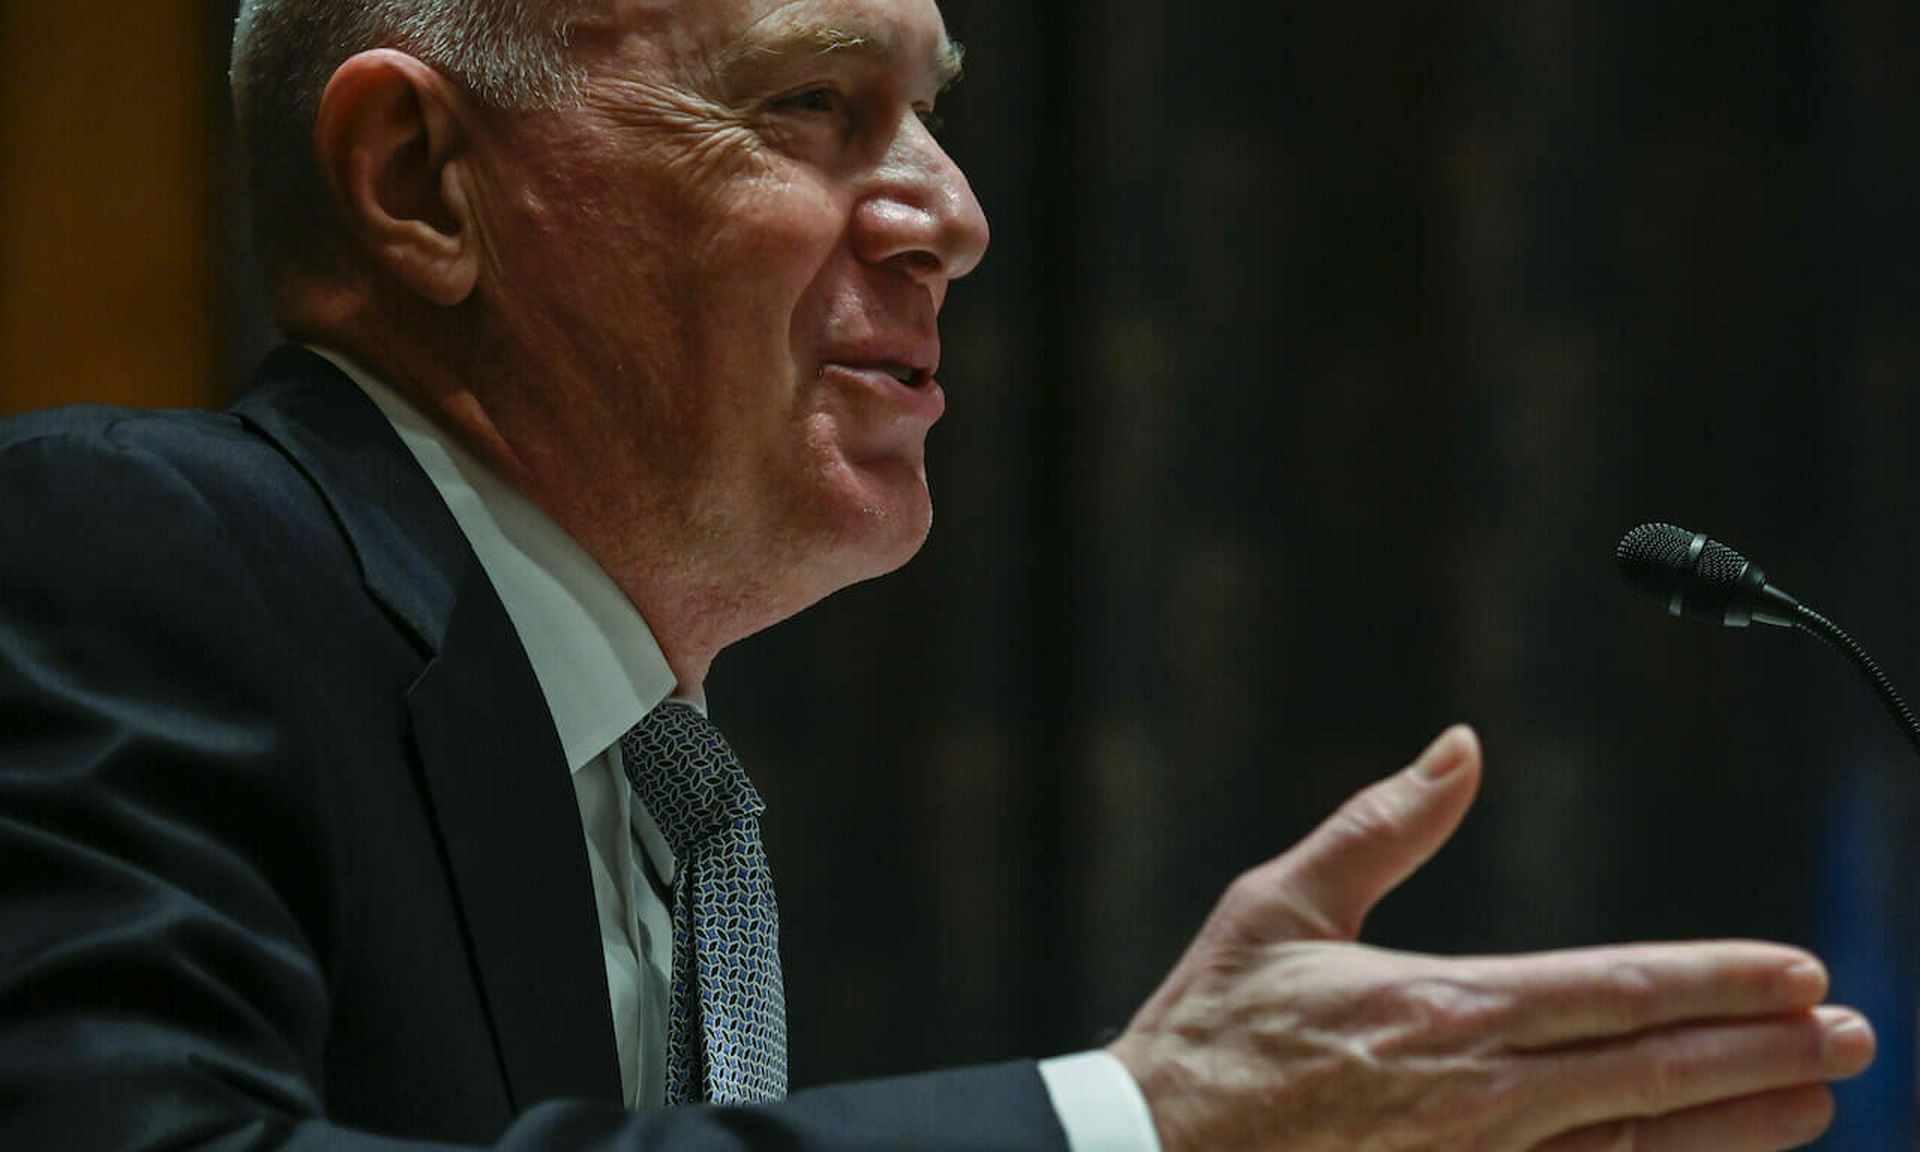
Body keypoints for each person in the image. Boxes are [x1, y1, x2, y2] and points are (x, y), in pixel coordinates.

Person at [0, 0, 1874, 1148]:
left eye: (935, 111)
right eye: (811, 104)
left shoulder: (651, 781)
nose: (954, 218)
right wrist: (1136, 1124)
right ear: (419, 179)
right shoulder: (123, 551)